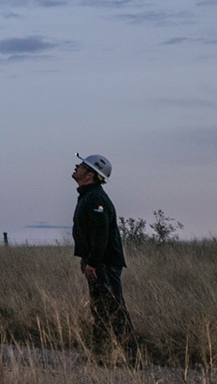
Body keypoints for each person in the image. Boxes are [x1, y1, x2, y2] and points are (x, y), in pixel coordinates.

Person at [72, 153, 139, 361]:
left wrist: (92, 262)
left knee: (114, 309)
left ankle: (132, 359)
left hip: (104, 264)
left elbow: (101, 235)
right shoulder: (88, 195)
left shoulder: (96, 198)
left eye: (82, 165)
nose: (77, 167)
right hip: (97, 263)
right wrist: (86, 260)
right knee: (100, 310)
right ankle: (99, 355)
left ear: (90, 175)